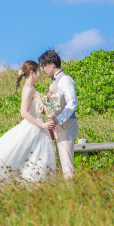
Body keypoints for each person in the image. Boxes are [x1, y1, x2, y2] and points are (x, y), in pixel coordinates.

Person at [38, 49, 78, 180]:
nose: (43, 69)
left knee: (66, 163)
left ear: (52, 64)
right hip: (58, 126)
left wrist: (58, 120)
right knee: (62, 162)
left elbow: (72, 103)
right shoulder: (54, 82)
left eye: (44, 66)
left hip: (66, 125)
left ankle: (72, 193)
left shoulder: (65, 79)